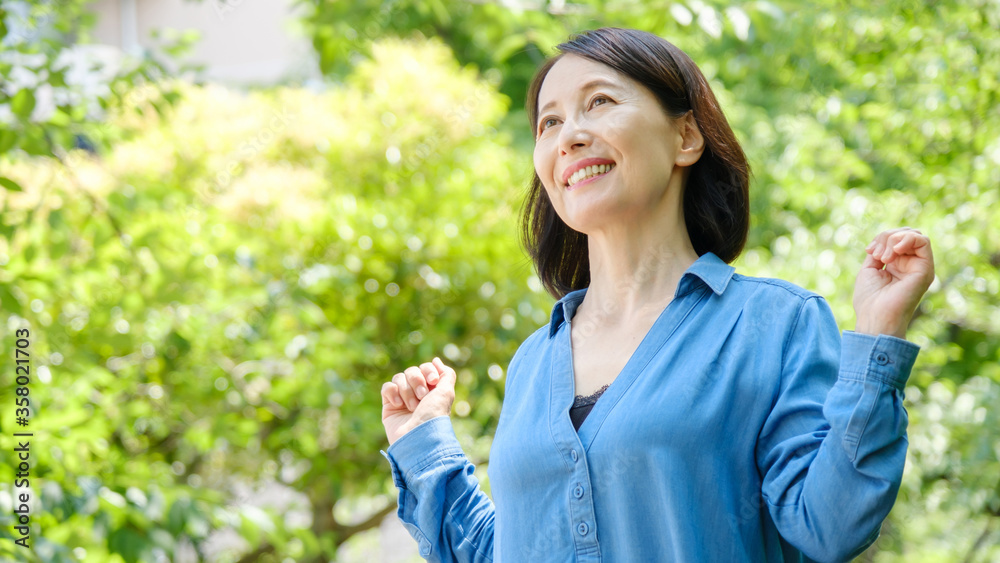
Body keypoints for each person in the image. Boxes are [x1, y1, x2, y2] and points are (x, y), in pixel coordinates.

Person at [379, 27, 934, 562]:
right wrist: (423, 444)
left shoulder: (774, 324)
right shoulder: (532, 362)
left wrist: (878, 334)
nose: (568, 134)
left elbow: (830, 526)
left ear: (686, 137)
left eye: (598, 102)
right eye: (549, 122)